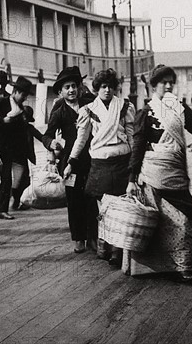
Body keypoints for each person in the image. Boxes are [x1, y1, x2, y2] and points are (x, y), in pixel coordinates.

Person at [126, 65, 192, 282]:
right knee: (160, 223)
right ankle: (154, 268)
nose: (169, 85)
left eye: (172, 81)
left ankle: (186, 266)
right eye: (164, 82)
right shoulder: (145, 113)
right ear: (154, 86)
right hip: (154, 174)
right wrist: (131, 180)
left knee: (185, 223)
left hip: (177, 173)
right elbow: (138, 147)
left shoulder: (181, 109)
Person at [64, 68, 135, 266]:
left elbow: (131, 135)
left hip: (121, 161)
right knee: (104, 208)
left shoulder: (124, 106)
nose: (107, 90)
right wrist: (71, 161)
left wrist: (136, 162)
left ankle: (118, 250)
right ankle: (106, 244)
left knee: (121, 207)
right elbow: (81, 139)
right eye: (103, 87)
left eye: (111, 87)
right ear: (96, 89)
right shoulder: (88, 111)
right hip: (100, 164)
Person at [42, 66, 97, 254]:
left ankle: (93, 237)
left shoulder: (90, 104)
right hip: (69, 164)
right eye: (67, 87)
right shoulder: (59, 112)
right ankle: (78, 239)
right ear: (60, 91)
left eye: (74, 86)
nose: (71, 90)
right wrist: (52, 144)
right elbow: (46, 135)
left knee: (91, 198)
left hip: (91, 158)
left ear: (79, 87)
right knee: (74, 201)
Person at [0, 76, 34, 220]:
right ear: (16, 91)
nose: (24, 98)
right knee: (6, 179)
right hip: (4, 146)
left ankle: (17, 201)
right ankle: (2, 209)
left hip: (18, 148)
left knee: (24, 177)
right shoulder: (2, 102)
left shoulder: (20, 108)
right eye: (23, 95)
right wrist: (2, 121)